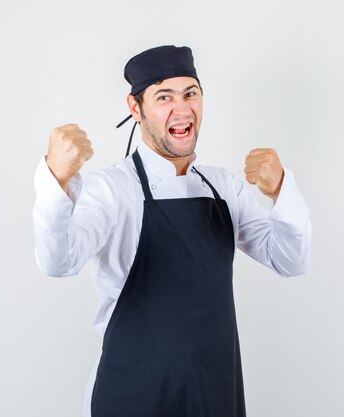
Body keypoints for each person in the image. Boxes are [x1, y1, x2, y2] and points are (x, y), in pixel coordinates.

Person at [33, 45, 311, 417]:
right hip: (133, 397)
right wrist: (56, 178)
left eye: (190, 93)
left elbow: (290, 259)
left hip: (214, 395)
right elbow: (58, 261)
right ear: (136, 108)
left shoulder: (224, 188)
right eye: (164, 97)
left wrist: (280, 190)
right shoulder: (112, 189)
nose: (181, 109)